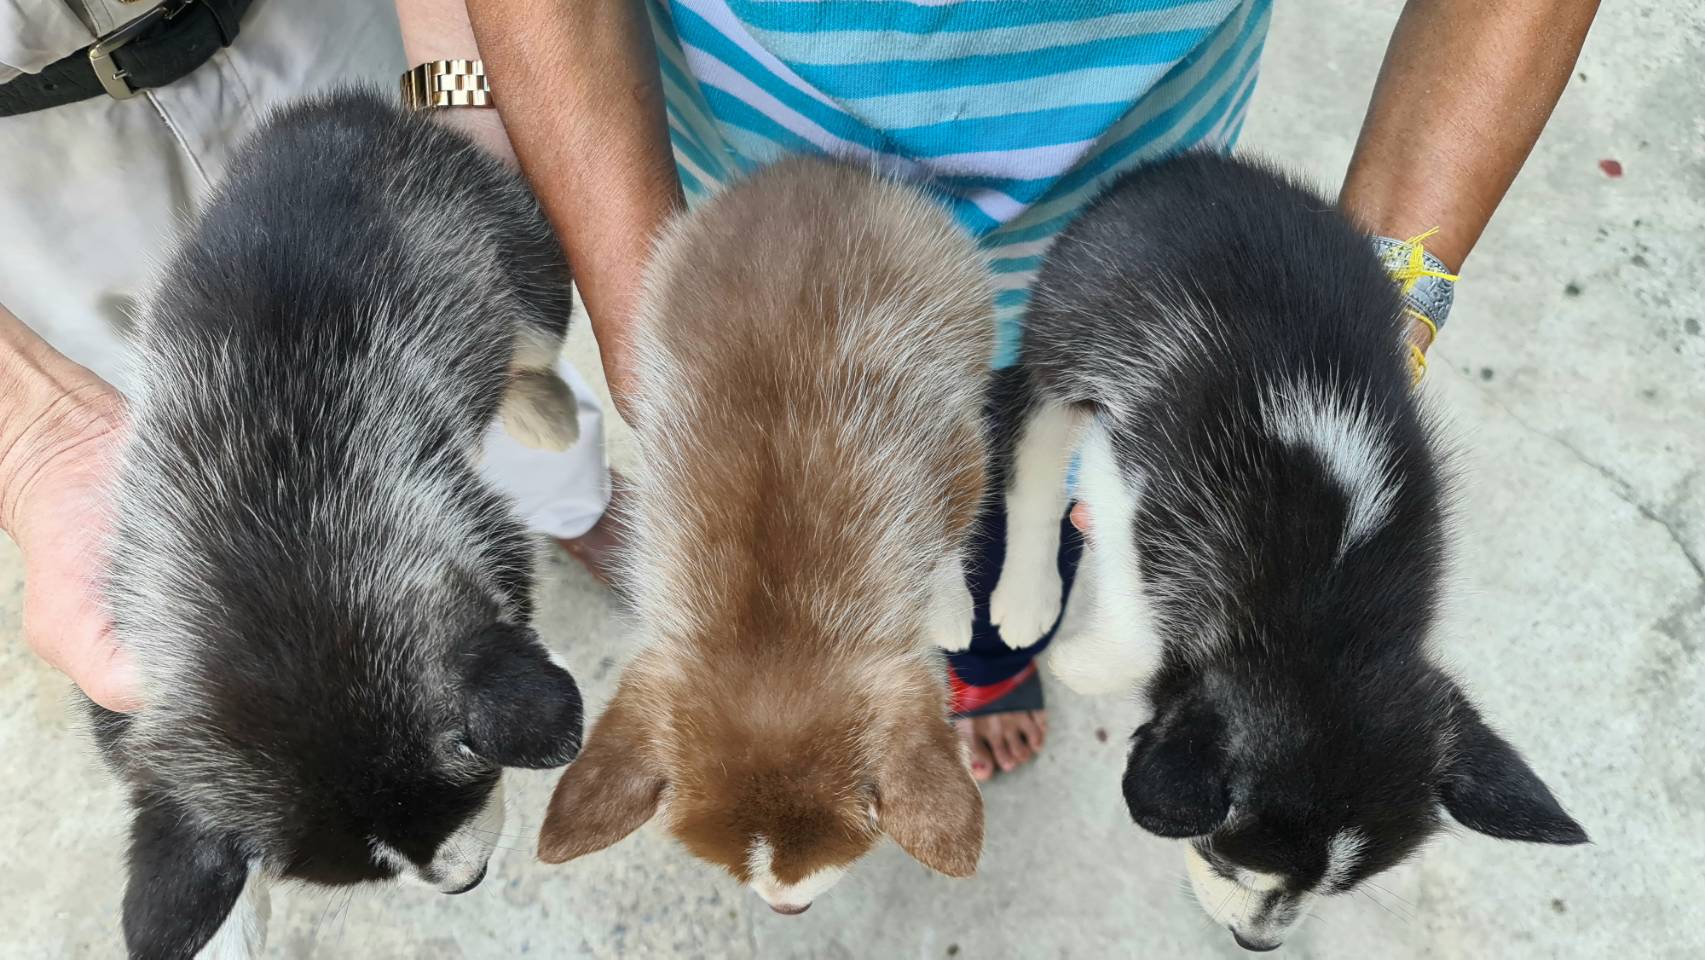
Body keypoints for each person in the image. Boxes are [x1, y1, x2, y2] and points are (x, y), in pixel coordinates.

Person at [3, 0, 1600, 787]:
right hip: (758, 242)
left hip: (1122, 253)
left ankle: (980, 667)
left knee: (1023, 528)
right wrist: (650, 328)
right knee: (816, 536)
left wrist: (1361, 320)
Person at [0, 0, 621, 713]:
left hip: (315, 30)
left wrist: (459, 102)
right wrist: (30, 436)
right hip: (39, 165)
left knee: (497, 327)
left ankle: (572, 504)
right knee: (179, 474)